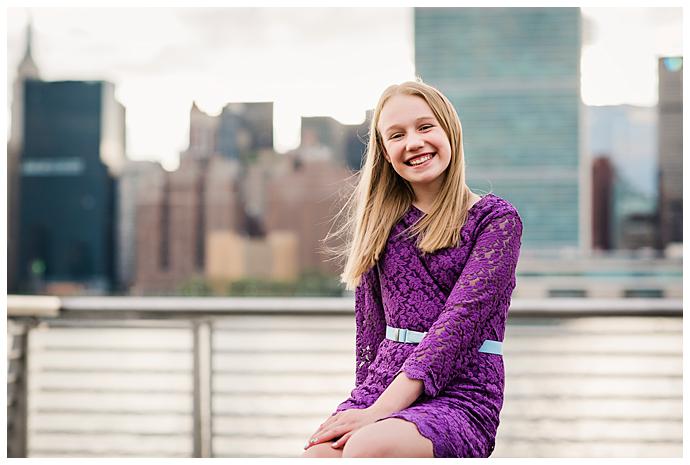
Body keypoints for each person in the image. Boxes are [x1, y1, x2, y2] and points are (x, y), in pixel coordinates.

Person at [300, 79, 523, 458]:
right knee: (320, 455)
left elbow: (459, 324)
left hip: (461, 391)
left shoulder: (496, 221)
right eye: (396, 135)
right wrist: (361, 404)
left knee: (370, 447)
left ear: (449, 131)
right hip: (383, 385)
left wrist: (378, 413)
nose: (413, 143)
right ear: (386, 153)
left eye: (424, 127)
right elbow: (369, 333)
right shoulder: (382, 223)